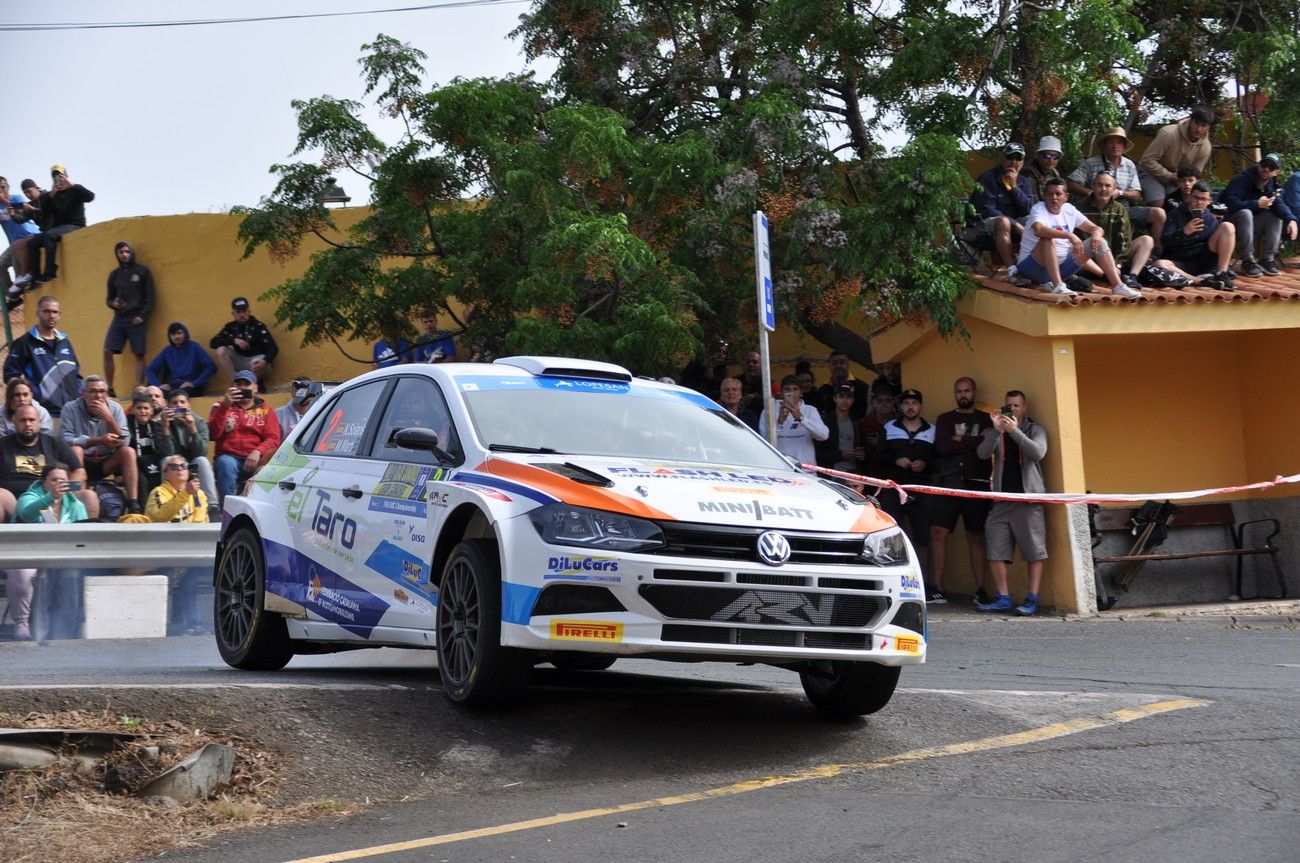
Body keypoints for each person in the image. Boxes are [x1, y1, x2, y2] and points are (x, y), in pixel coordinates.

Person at [975, 390, 1049, 615]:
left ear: (1024, 408)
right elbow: (982, 453)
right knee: (995, 548)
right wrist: (996, 432)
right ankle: (1003, 596)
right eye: (1009, 406)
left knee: (1034, 551)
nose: (1012, 409)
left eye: (1016, 406)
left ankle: (1033, 597)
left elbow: (1038, 452)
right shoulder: (999, 432)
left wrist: (1015, 431)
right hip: (1001, 500)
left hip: (1028, 499)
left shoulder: (1034, 429)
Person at [1014, 178, 1139, 298]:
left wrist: (1095, 236)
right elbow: (1039, 230)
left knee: (1099, 241)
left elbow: (1096, 228)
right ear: (1044, 196)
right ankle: (1058, 286)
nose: (1054, 198)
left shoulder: (1069, 209)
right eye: (1050, 194)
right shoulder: (1038, 209)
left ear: (1066, 197)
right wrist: (1069, 235)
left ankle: (1118, 286)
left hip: (1061, 267)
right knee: (1047, 238)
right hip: (1032, 267)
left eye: (1058, 194)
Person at [5, 462, 88, 641]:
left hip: (60, 555)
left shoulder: (76, 505)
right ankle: (22, 623)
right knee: (22, 574)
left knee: (71, 572)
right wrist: (50, 498)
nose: (58, 483)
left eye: (63, 480)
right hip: (26, 554)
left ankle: (64, 631)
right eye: (54, 480)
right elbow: (26, 514)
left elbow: (83, 533)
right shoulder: (30, 496)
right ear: (44, 482)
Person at [928, 378, 993, 605]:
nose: (963, 394)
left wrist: (962, 439)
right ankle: (937, 588)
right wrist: (974, 441)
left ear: (974, 391)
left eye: (967, 390)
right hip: (949, 481)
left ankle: (980, 589)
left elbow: (986, 449)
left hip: (977, 483)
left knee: (976, 536)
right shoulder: (945, 419)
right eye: (959, 391)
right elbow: (943, 447)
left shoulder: (986, 419)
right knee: (938, 533)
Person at [58, 375, 142, 514]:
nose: (98, 396)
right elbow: (65, 440)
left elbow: (124, 442)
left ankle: (133, 504)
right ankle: (77, 500)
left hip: (105, 461)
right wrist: (97, 440)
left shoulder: (115, 408)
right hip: (80, 462)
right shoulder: (70, 408)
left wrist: (108, 418)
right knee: (76, 449)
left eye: (102, 391)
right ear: (83, 393)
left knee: (128, 452)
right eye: (93, 391)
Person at [1067, 127, 1166, 241]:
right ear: (1104, 145)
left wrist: (1119, 193)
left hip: (1124, 209)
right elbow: (1070, 184)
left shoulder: (1129, 165)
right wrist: (1092, 193)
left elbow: (1136, 194)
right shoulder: (1091, 162)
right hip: (1097, 208)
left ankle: (1156, 251)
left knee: (1159, 213)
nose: (1115, 146)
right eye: (1111, 142)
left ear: (1124, 146)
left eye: (1119, 142)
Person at [0, 404, 96, 522]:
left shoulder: (54, 443)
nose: (28, 424)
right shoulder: (2, 445)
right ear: (14, 422)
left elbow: (79, 471)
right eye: (23, 420)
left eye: (32, 420)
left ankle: (86, 539)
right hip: (13, 500)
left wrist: (64, 487)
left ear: (39, 422)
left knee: (89, 496)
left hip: (53, 495)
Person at [878, 388, 935, 585]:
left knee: (922, 538)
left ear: (920, 406)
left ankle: (923, 584)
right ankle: (893, 582)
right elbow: (878, 457)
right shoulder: (888, 427)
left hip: (921, 491)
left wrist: (925, 464)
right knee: (892, 537)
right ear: (901, 407)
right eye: (907, 403)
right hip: (893, 490)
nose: (911, 407)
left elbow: (938, 461)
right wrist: (896, 460)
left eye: (915, 403)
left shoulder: (931, 430)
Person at [10, 165, 95, 286]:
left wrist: (73, 186)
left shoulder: (75, 189)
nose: (58, 179)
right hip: (59, 228)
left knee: (49, 236)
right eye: (55, 177)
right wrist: (51, 196)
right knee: (32, 243)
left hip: (75, 225)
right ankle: (35, 278)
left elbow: (90, 197)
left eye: (60, 176)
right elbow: (43, 212)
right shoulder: (52, 195)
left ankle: (50, 273)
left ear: (66, 176)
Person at [2, 296, 82, 418]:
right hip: (44, 414)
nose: (51, 315)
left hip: (73, 413)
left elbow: (76, 374)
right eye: (46, 311)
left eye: (55, 312)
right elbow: (11, 376)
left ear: (59, 315)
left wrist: (79, 395)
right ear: (38, 313)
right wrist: (35, 394)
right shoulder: (24, 343)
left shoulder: (65, 342)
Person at [1219, 153, 1298, 276]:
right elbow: (1229, 204)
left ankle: (1267, 259)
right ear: (1258, 165)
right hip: (1230, 226)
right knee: (1246, 213)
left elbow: (1278, 203)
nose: (1266, 169)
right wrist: (1256, 204)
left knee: (1275, 215)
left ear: (1276, 172)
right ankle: (1247, 260)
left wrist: (1291, 220)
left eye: (1271, 167)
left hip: (1251, 225)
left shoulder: (1271, 185)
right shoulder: (1241, 180)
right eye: (1263, 164)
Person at [208, 369, 281, 501]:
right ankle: (226, 510)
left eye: (246, 384)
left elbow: (274, 438)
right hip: (230, 459)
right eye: (238, 384)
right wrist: (225, 406)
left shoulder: (266, 411)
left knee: (275, 459)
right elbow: (212, 434)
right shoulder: (220, 405)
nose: (242, 387)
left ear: (255, 388)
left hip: (258, 460)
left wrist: (258, 451)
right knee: (225, 462)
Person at [1075, 171, 1154, 291]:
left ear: (1114, 189)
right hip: (1088, 259)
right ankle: (1104, 274)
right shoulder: (1078, 207)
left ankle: (1132, 277)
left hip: (1113, 258)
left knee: (1147, 240)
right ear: (1093, 187)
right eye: (1099, 185)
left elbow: (1124, 240)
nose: (1103, 189)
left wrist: (1117, 264)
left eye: (1108, 186)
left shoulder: (1119, 209)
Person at [1158, 181, 1237, 289]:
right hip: (1181, 261)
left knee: (1228, 226)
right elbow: (1164, 241)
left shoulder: (1210, 217)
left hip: (1203, 259)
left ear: (1209, 201)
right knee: (1160, 264)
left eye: (1203, 199)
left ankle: (1221, 274)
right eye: (1196, 198)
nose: (1199, 202)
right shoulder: (1176, 214)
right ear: (1189, 197)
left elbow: (1219, 242)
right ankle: (1200, 281)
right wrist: (1184, 232)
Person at [103, 241, 157, 395]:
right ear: (117, 254)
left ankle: (139, 388)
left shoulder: (143, 271)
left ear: (132, 252)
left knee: (139, 353)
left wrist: (143, 315)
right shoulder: (114, 275)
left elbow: (151, 297)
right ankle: (110, 388)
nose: (124, 255)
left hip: (137, 318)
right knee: (107, 350)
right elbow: (109, 299)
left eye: (127, 251)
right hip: (119, 318)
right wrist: (114, 304)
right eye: (121, 252)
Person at [1138, 106, 1215, 209]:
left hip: (1178, 181)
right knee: (1159, 203)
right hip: (1150, 174)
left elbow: (1195, 173)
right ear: (1190, 121)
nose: (1199, 129)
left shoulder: (1206, 147)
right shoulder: (1168, 134)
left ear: (1209, 127)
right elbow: (1146, 160)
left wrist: (1185, 183)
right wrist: (1169, 176)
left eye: (1203, 125)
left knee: (1186, 203)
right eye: (1196, 123)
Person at [970, 142, 1034, 266]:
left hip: (1014, 225)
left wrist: (1014, 187)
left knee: (1035, 222)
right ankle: (1012, 270)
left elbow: (1028, 210)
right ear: (1002, 158)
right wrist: (1013, 223)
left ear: (1022, 162)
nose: (1014, 162)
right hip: (983, 226)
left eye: (1018, 158)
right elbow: (986, 209)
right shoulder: (987, 178)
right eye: (1010, 157)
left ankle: (1037, 266)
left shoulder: (1023, 181)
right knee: (1003, 222)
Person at [162, 390, 218, 517]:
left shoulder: (199, 422)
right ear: (168, 406)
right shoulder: (162, 421)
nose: (179, 406)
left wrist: (192, 428)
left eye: (182, 402)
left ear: (189, 405)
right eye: (174, 403)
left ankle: (213, 506)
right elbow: (166, 452)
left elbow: (202, 452)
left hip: (192, 461)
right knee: (166, 460)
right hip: (174, 462)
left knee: (202, 461)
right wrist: (165, 426)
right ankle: (165, 503)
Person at [758, 374, 828, 465]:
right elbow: (764, 443)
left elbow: (824, 435)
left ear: (801, 393)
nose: (791, 393)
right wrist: (779, 423)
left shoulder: (810, 410)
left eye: (795, 389)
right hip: (780, 468)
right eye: (787, 389)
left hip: (806, 470)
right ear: (781, 393)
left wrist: (801, 418)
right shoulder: (769, 410)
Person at [209, 296, 279, 386]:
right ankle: (236, 383)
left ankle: (255, 384)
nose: (242, 315)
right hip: (241, 362)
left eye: (244, 311)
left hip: (259, 363)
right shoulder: (230, 327)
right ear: (233, 313)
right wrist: (234, 341)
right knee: (221, 350)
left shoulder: (258, 326)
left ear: (249, 311)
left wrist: (265, 361)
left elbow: (273, 348)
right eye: (238, 312)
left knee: (256, 361)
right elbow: (213, 342)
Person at [145, 321, 217, 397]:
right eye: (173, 334)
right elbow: (149, 370)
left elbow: (211, 367)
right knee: (155, 394)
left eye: (179, 333)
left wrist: (195, 383)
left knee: (178, 395)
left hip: (193, 387)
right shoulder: (167, 351)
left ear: (185, 333)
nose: (176, 336)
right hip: (174, 387)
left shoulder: (195, 347)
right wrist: (158, 385)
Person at [0, 176, 40, 303]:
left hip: (30, 236)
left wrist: (5, 201)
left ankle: (22, 290)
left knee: (21, 277)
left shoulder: (16, 198)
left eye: (2, 187)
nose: (1, 190)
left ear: (8, 187)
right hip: (15, 244)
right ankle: (13, 298)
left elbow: (20, 212)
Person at [816, 384, 866, 482]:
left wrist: (862, 455)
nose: (845, 400)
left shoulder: (856, 422)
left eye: (849, 397)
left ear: (853, 400)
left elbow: (862, 447)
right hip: (832, 477)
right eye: (841, 396)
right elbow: (818, 453)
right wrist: (841, 455)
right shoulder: (825, 421)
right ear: (835, 398)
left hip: (854, 477)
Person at [126, 394, 169, 503]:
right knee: (141, 480)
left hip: (153, 462)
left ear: (151, 411)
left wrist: (165, 427)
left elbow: (163, 451)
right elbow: (121, 448)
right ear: (132, 410)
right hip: (134, 465)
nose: (142, 411)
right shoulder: (127, 424)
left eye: (146, 408)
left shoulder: (156, 426)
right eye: (139, 408)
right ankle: (142, 511)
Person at [813, 351, 870, 420]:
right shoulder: (823, 390)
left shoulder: (862, 387)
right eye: (834, 363)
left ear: (848, 364)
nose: (838, 366)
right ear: (829, 366)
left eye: (842, 362)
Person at [1023, 136, 1065, 203]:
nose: (1051, 160)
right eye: (1047, 156)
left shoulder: (1055, 174)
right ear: (1037, 155)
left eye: (1056, 157)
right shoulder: (1026, 174)